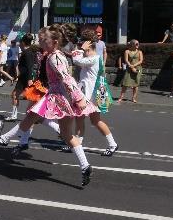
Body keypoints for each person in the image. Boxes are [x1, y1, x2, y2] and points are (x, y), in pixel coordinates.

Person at [24, 25, 94, 186]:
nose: (40, 42)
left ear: (54, 42)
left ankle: (11, 140)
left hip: (60, 97)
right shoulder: (53, 55)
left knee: (34, 116)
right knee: (66, 134)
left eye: (43, 40)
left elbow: (66, 78)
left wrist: (78, 98)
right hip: (61, 97)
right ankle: (85, 166)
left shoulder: (54, 57)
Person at [70, 28, 119, 156]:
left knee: (91, 120)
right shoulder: (93, 57)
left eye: (83, 43)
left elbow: (76, 60)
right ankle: (78, 145)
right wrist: (82, 49)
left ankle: (112, 144)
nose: (81, 44)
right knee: (83, 119)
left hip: (90, 95)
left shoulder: (93, 58)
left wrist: (80, 49)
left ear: (88, 45)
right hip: (88, 93)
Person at [4, 33, 36, 122]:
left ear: (23, 42)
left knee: (17, 95)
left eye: (20, 42)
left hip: (25, 78)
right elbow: (24, 67)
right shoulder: (27, 52)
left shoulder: (27, 53)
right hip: (23, 77)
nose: (19, 44)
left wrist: (29, 79)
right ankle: (15, 115)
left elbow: (29, 66)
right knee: (17, 95)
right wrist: (17, 76)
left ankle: (36, 116)